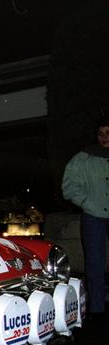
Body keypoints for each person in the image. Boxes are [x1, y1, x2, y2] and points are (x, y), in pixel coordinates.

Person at [62, 114, 109, 323]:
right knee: (95, 263)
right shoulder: (83, 158)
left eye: (108, 133)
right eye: (100, 134)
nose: (104, 137)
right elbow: (69, 187)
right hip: (94, 217)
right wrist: (88, 203)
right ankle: (97, 309)